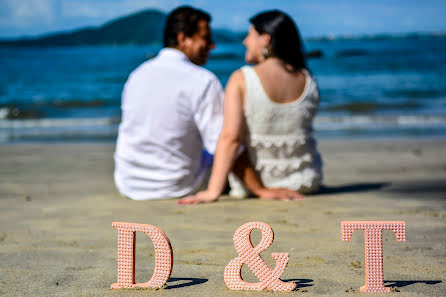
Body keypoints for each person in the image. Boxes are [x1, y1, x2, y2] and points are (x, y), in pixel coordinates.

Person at [114, 6, 300, 201]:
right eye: (206, 39)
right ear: (183, 38)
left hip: (129, 182)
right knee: (227, 149)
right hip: (174, 184)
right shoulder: (201, 80)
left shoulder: (137, 75)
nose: (212, 46)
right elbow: (226, 141)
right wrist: (260, 189)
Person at [178, 10, 322, 205]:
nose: (245, 41)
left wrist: (213, 190)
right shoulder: (308, 78)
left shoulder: (242, 78)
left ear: (265, 39)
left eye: (250, 35)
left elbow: (231, 138)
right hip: (306, 182)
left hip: (259, 185)